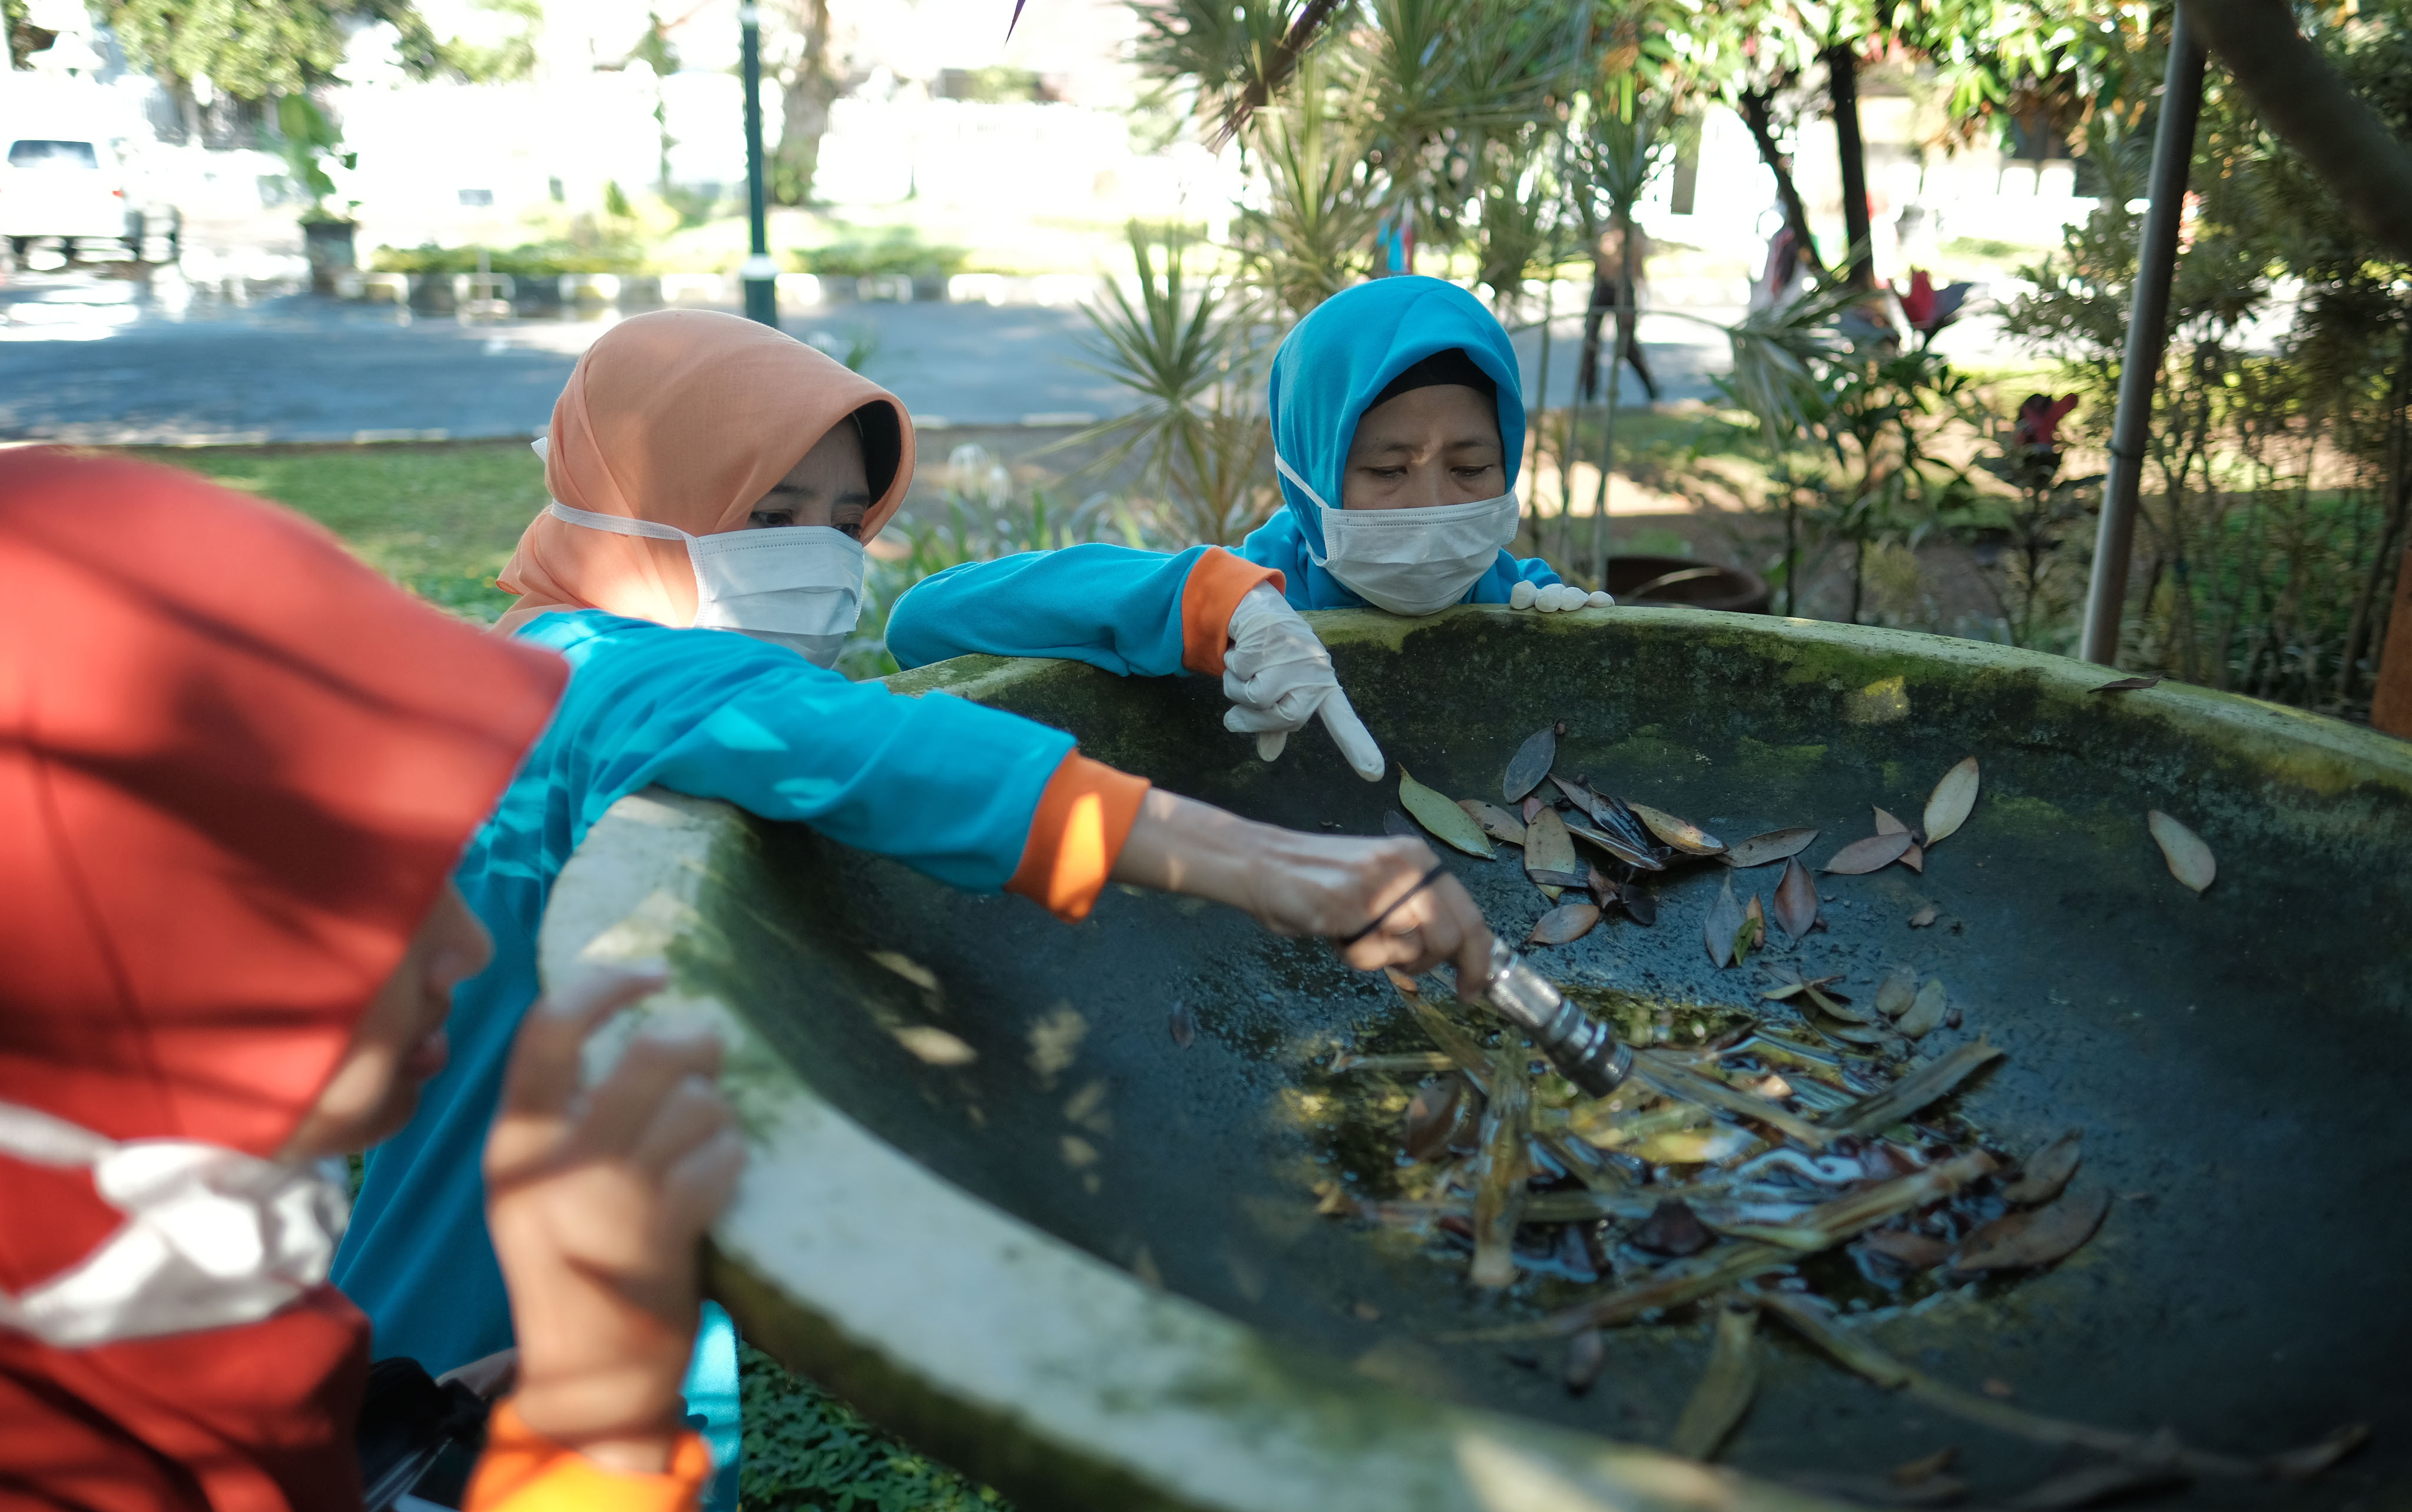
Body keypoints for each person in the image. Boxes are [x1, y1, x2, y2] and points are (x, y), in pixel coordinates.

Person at [334, 309, 1497, 1385]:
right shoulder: (589, 678)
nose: (820, 556)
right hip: (469, 1347)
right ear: (637, 497)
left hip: (602, 1293)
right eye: (770, 515)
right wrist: (1287, 870)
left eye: (844, 524)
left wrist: (1216, 605)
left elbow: (930, 628)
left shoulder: (569, 655)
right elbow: (882, 752)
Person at [0, 449, 740, 1511]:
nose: (468, 946)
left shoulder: (140, 1256)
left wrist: (406, 1424)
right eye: (369, 885)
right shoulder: (65, 1448)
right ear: (115, 931)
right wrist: (594, 1423)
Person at [883, 276, 1612, 778]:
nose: (1429, 503)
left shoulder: (1516, 593)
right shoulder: (1252, 605)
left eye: (1471, 467)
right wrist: (1215, 604)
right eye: (1387, 471)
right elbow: (924, 622)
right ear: (1307, 478)